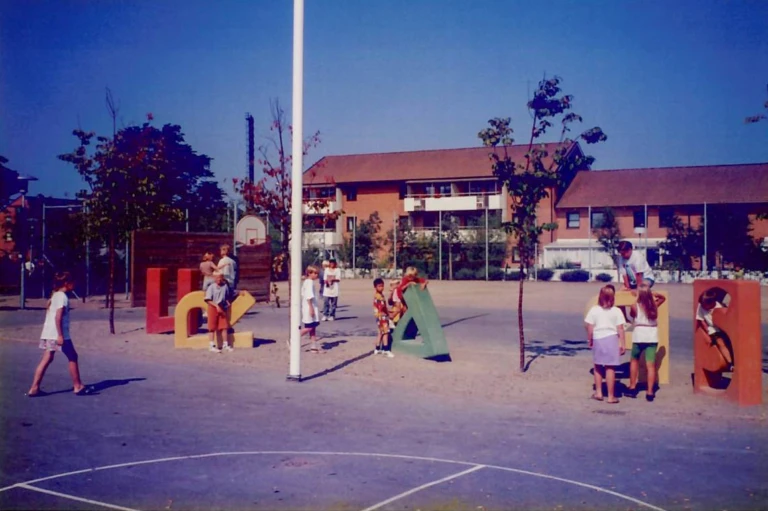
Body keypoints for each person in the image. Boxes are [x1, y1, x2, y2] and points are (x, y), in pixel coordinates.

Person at [27, 272, 87, 397]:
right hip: (58, 334)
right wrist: (60, 335)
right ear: (67, 283)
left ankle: (34, 388)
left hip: (49, 333)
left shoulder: (54, 296)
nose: (74, 284)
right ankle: (78, 386)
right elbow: (58, 317)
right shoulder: (62, 297)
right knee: (72, 356)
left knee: (47, 358)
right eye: (73, 282)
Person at [584, 285, 626, 404]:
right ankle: (611, 396)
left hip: (598, 339)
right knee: (610, 367)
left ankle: (599, 392)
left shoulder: (594, 310)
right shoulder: (616, 311)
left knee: (598, 366)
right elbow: (620, 329)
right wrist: (622, 343)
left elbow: (590, 327)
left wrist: (589, 340)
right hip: (612, 339)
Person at [626, 283, 666, 401]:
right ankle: (649, 392)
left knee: (634, 361)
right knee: (651, 365)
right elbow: (663, 298)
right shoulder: (654, 305)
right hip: (651, 336)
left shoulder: (634, 306)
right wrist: (653, 293)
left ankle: (633, 387)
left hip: (639, 335)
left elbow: (633, 316)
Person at [696, 289, 733, 370]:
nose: (703, 306)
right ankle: (730, 363)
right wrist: (707, 332)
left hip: (723, 327)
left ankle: (733, 360)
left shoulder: (719, 307)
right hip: (712, 329)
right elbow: (701, 320)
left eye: (705, 305)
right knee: (720, 343)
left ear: (712, 303)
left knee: (730, 343)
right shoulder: (701, 306)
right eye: (702, 304)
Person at [205, 271, 233, 353]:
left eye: (220, 277)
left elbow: (227, 296)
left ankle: (225, 344)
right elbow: (208, 300)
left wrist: (227, 302)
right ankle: (211, 345)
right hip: (213, 307)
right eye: (217, 277)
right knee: (212, 327)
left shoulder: (225, 286)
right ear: (214, 278)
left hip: (222, 307)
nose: (219, 279)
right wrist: (216, 306)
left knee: (224, 326)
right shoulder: (211, 287)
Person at [301, 265, 324, 353]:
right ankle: (294, 339)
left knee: (313, 327)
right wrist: (311, 308)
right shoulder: (309, 282)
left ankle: (313, 346)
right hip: (309, 307)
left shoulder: (308, 282)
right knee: (310, 327)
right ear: (310, 273)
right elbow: (308, 297)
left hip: (311, 306)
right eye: (315, 273)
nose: (316, 275)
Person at [372, 278, 395, 358]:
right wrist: (389, 313)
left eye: (382, 286)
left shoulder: (378, 295)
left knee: (380, 332)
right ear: (375, 287)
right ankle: (386, 349)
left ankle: (377, 348)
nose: (381, 288)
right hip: (382, 317)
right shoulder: (379, 297)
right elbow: (382, 308)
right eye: (379, 286)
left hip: (379, 317)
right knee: (386, 333)